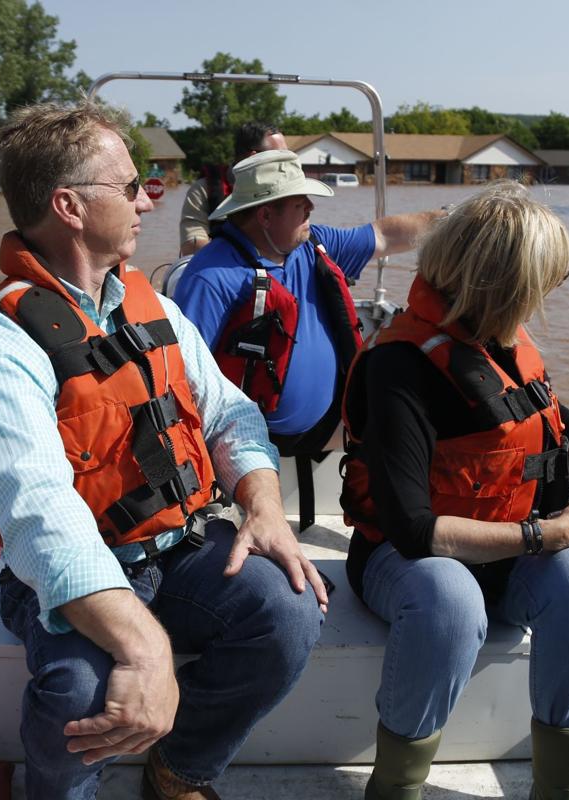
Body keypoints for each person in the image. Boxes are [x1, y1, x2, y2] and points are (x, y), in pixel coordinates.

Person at [0, 103, 327, 800]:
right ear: (69, 205)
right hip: (75, 573)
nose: (147, 200)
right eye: (129, 186)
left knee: (290, 609)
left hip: (177, 548)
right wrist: (144, 645)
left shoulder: (150, 303)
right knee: (79, 693)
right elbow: (40, 517)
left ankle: (180, 770)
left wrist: (263, 505)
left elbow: (231, 414)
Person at [338, 181, 569, 800]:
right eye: (543, 282)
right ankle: (395, 788)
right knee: (452, 599)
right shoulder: (397, 369)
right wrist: (548, 533)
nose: (548, 295)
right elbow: (413, 531)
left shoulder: (493, 337)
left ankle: (560, 791)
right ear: (500, 286)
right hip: (409, 564)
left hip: (508, 556)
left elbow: (550, 415)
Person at [173, 148, 444, 529]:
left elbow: (384, 235)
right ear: (266, 215)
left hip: (329, 421)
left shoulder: (309, 245)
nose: (311, 211)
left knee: (416, 409)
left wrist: (455, 223)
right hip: (249, 439)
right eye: (301, 204)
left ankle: (402, 526)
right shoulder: (210, 277)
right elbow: (184, 384)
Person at [178, 121, 287, 255]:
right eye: (280, 156)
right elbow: (191, 245)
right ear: (255, 157)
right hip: (224, 271)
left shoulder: (290, 189)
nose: (287, 163)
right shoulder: (204, 189)